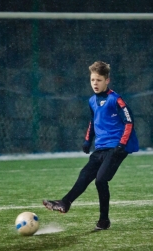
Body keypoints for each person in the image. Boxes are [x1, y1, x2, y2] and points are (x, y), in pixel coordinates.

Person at [43, 61, 139, 230]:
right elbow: (93, 122)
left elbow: (129, 122)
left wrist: (121, 144)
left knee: (101, 180)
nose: (95, 83)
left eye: (99, 80)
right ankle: (65, 202)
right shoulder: (92, 101)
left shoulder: (115, 100)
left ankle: (104, 221)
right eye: (93, 80)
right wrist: (88, 140)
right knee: (85, 175)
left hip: (116, 147)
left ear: (107, 80)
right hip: (101, 147)